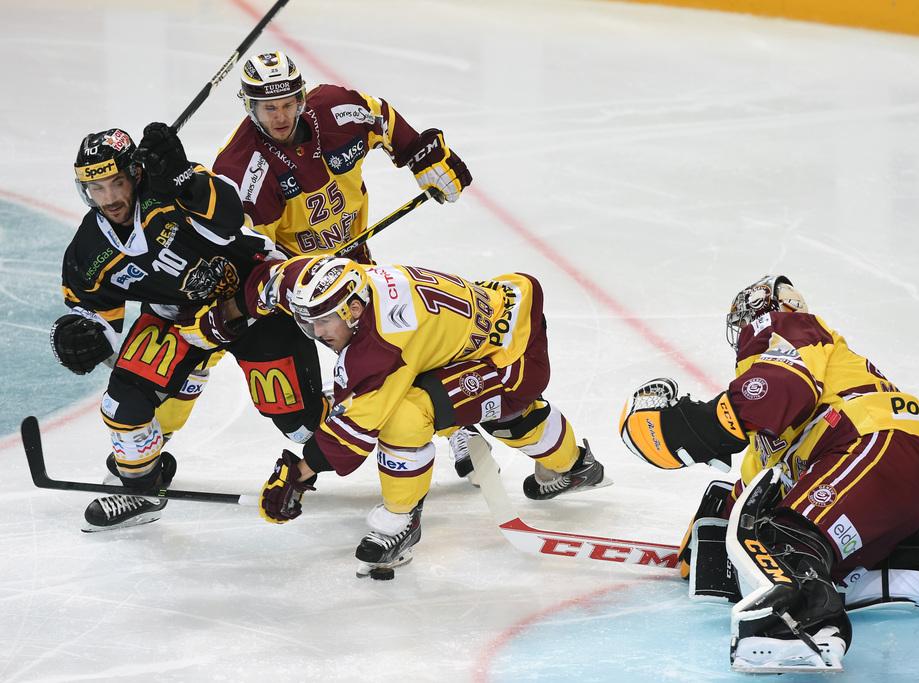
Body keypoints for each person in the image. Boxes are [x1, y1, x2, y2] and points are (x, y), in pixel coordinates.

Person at [618, 275, 919, 673]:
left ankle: (801, 629)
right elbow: (752, 496)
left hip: (873, 443)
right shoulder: (774, 432)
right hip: (888, 469)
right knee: (772, 536)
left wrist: (679, 428)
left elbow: (777, 388)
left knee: (784, 540)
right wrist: (709, 542)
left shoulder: (789, 329)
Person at [243, 255, 609, 577]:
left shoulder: (378, 348)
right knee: (459, 404)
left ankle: (400, 520)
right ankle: (575, 465)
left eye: (324, 323)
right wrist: (226, 313)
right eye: (309, 323)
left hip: (512, 357)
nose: (318, 334)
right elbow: (275, 278)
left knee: (407, 414)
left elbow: (353, 434)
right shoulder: (325, 282)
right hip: (497, 313)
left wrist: (297, 475)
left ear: (354, 310)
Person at [211, 50, 484, 480]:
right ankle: (350, 432)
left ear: (301, 98)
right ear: (250, 107)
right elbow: (247, 249)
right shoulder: (240, 170)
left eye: (286, 104)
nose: (280, 116)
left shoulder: (336, 109)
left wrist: (423, 157)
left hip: (355, 266)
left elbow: (383, 118)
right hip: (297, 287)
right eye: (268, 107)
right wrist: (294, 281)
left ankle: (451, 422)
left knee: (397, 343)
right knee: (305, 412)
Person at [52, 124, 327, 531]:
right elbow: (94, 312)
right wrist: (79, 336)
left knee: (303, 427)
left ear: (137, 173)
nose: (109, 198)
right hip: (176, 316)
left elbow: (230, 220)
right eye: (97, 188)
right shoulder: (89, 250)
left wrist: (184, 179)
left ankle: (388, 417)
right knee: (123, 402)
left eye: (117, 182)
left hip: (252, 301)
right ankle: (141, 490)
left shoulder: (171, 190)